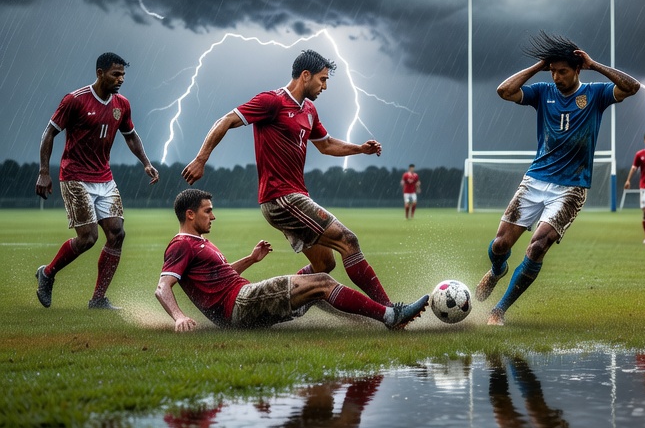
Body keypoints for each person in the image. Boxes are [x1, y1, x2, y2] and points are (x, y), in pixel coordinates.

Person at [180, 50, 394, 306]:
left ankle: (282, 300)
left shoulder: (310, 110)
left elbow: (326, 145)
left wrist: (359, 149)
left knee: (325, 264)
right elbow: (225, 120)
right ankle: (389, 310)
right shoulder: (272, 101)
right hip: (280, 198)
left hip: (295, 196)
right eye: (323, 79)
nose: (325, 87)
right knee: (348, 240)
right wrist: (201, 159)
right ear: (306, 75)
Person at [475, 32, 639, 326]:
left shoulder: (596, 94)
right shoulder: (542, 92)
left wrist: (595, 65)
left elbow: (632, 87)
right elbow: (504, 91)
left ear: (577, 69)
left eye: (562, 71)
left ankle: (498, 311)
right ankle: (497, 270)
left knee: (537, 247)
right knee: (500, 245)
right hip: (535, 179)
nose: (556, 77)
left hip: (571, 188)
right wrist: (538, 66)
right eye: (552, 71)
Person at [155, 188, 428, 331]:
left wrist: (251, 259)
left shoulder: (200, 242)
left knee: (315, 286)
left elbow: (220, 275)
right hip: (239, 304)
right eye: (207, 211)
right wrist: (179, 317)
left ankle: (372, 321)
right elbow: (162, 287)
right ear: (190, 214)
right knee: (322, 281)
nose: (213, 216)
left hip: (241, 301)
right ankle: (390, 315)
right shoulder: (181, 244)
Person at [34, 52, 160, 310]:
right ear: (100, 73)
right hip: (75, 177)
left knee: (117, 233)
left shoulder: (122, 104)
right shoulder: (75, 100)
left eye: (123, 74)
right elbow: (49, 133)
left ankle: (98, 299)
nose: (121, 79)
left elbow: (131, 135)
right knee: (88, 238)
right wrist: (44, 171)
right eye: (116, 74)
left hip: (104, 178)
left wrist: (146, 162)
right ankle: (47, 273)